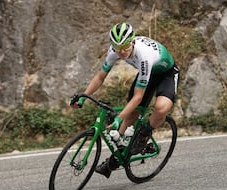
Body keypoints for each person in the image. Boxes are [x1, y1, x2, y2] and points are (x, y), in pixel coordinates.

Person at [71, 22, 179, 178]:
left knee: (161, 107)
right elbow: (100, 76)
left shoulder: (144, 56)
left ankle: (144, 135)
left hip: (166, 74)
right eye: (117, 47)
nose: (121, 52)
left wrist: (118, 118)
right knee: (130, 115)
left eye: (125, 47)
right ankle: (116, 159)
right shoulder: (114, 51)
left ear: (133, 41)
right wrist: (83, 96)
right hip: (146, 74)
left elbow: (138, 96)